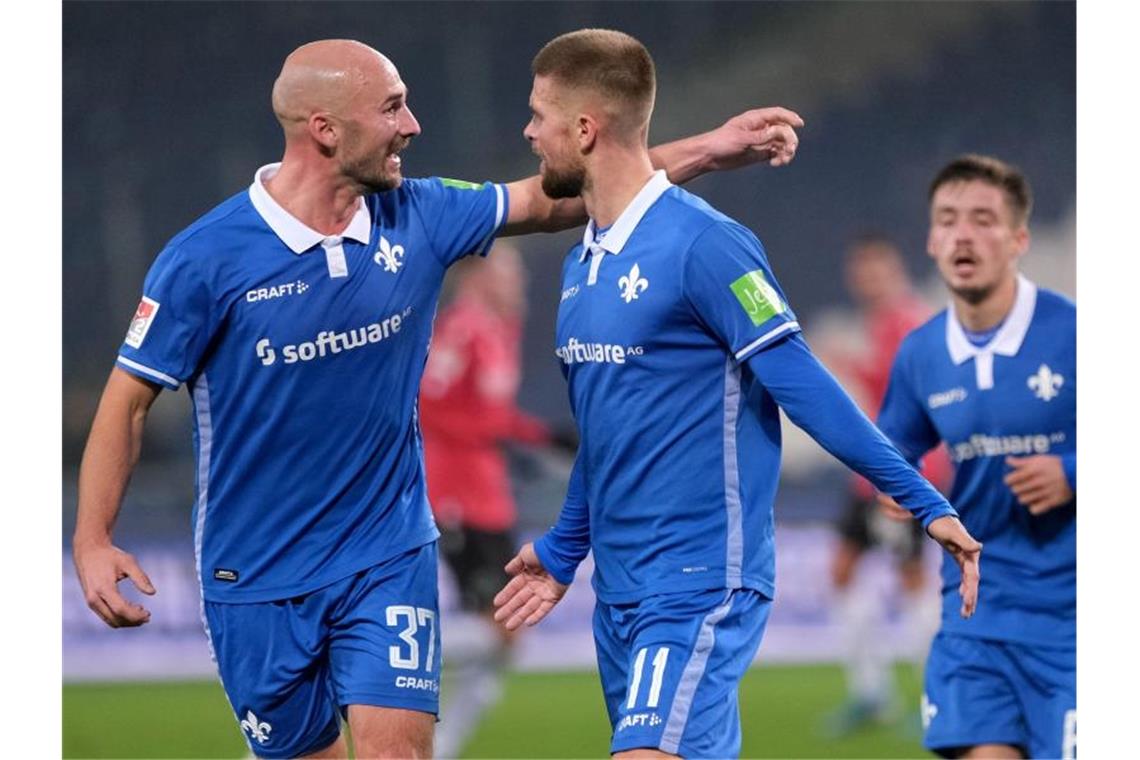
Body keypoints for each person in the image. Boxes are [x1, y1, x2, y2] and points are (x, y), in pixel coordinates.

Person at [69, 38, 805, 759]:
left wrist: (710, 147)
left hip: (387, 552)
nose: (412, 126)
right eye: (392, 107)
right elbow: (128, 400)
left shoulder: (418, 215)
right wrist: (94, 538)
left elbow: (563, 196)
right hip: (254, 574)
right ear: (324, 129)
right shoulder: (204, 259)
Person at [492, 29, 982, 759]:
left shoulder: (705, 245)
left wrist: (924, 500)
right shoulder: (580, 265)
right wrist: (565, 548)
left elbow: (805, 387)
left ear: (586, 128)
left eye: (539, 114)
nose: (529, 132)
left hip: (698, 582)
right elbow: (607, 431)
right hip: (620, 593)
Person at [875, 155, 1075, 759]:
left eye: (984, 219)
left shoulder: (1077, 335)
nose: (964, 233)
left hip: (1074, 623)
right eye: (949, 219)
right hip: (975, 619)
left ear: (1018, 240)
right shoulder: (922, 354)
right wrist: (894, 487)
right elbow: (891, 454)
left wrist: (1074, 473)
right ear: (933, 241)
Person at [418, 242, 570, 758]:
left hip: (488, 497)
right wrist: (524, 438)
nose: (521, 280)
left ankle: (439, 748)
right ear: (480, 278)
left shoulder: (500, 329)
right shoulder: (461, 328)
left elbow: (489, 413)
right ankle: (375, 659)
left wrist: (538, 436)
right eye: (511, 270)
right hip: (457, 494)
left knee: (503, 637)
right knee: (502, 630)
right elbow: (429, 406)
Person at [818, 236, 953, 734]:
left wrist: (845, 366)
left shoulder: (907, 321)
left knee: (914, 582)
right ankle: (872, 694)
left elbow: (905, 394)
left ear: (894, 271)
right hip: (873, 474)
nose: (866, 280)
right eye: (861, 271)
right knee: (843, 573)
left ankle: (941, 699)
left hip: (904, 473)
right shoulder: (887, 321)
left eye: (875, 270)